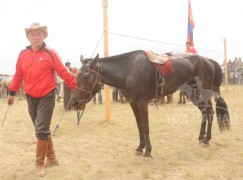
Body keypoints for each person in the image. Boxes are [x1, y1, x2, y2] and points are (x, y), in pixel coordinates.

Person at [7, 22, 77, 177]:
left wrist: (75, 88)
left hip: (47, 96)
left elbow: (63, 72)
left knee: (40, 129)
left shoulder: (51, 53)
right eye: (32, 34)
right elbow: (18, 75)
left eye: (39, 34)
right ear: (28, 37)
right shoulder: (22, 55)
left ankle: (39, 164)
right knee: (42, 129)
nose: (36, 37)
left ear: (44, 35)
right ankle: (52, 158)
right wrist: (11, 92)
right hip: (30, 97)